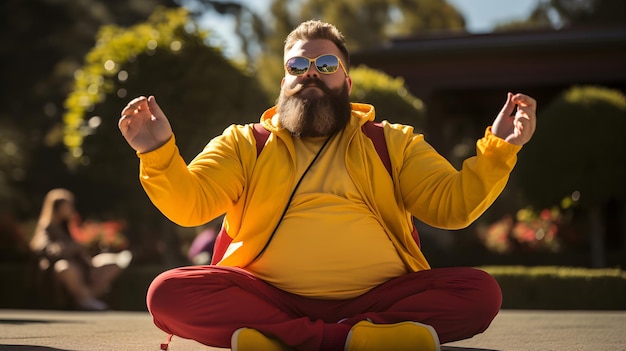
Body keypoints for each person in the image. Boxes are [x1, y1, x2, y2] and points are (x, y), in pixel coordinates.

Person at [119, 20, 536, 351]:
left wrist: (498, 150)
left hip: (379, 298)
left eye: (326, 66)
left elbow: (453, 207)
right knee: (166, 293)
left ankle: (284, 339)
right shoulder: (244, 143)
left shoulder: (394, 141)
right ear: (283, 84)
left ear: (347, 84)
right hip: (268, 296)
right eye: (297, 67)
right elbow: (189, 205)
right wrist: (158, 153)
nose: (311, 75)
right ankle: (361, 340)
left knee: (480, 292)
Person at [29, 188, 132, 311]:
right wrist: (71, 248)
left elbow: (84, 248)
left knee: (112, 263)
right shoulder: (47, 228)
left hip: (83, 265)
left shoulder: (69, 227)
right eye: (68, 205)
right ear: (57, 207)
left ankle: (86, 298)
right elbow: (43, 248)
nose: (72, 208)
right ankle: (85, 298)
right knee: (64, 267)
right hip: (68, 268)